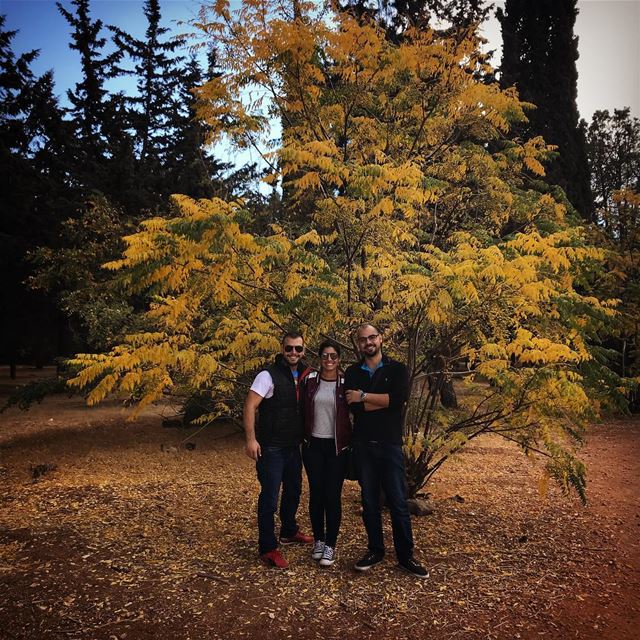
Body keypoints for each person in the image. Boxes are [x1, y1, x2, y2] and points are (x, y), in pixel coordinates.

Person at [344, 323, 428, 578]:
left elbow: (399, 401)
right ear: (359, 344)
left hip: (390, 445)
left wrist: (364, 396)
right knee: (369, 502)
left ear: (380, 339)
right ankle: (375, 550)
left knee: (398, 502)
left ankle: (406, 556)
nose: (368, 342)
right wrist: (380, 400)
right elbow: (354, 408)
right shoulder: (352, 372)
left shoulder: (398, 369)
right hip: (364, 446)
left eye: (372, 337)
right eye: (363, 339)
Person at [243, 331, 313, 568]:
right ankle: (268, 547)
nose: (293, 353)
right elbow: (250, 406)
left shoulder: (306, 374)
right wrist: (251, 439)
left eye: (298, 349)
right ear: (282, 349)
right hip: (271, 448)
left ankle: (289, 531)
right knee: (270, 498)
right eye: (289, 348)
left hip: (294, 445)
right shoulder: (267, 375)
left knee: (294, 491)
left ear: (304, 350)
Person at [301, 339, 352, 568]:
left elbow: (356, 413)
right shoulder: (310, 381)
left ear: (338, 358)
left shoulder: (346, 383)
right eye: (325, 356)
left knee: (332, 495)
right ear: (319, 358)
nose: (329, 360)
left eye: (333, 356)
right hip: (313, 446)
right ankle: (318, 540)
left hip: (337, 448)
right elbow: (299, 409)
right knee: (316, 494)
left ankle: (331, 543)